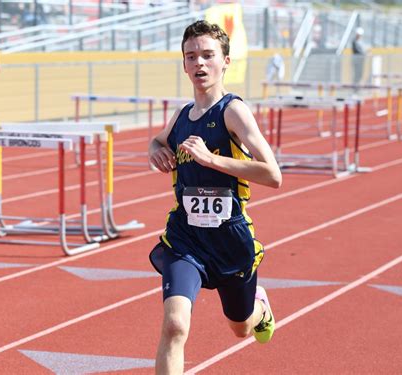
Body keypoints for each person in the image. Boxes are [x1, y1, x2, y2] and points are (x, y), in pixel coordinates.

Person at [148, 20, 282, 374]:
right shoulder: (181, 115)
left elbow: (273, 174)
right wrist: (155, 150)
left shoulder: (233, 111)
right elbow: (159, 139)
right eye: (191, 57)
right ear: (184, 64)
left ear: (225, 61)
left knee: (240, 327)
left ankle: (260, 308)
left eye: (208, 55)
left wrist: (211, 160)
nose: (199, 64)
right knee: (175, 324)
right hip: (186, 238)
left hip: (230, 241)